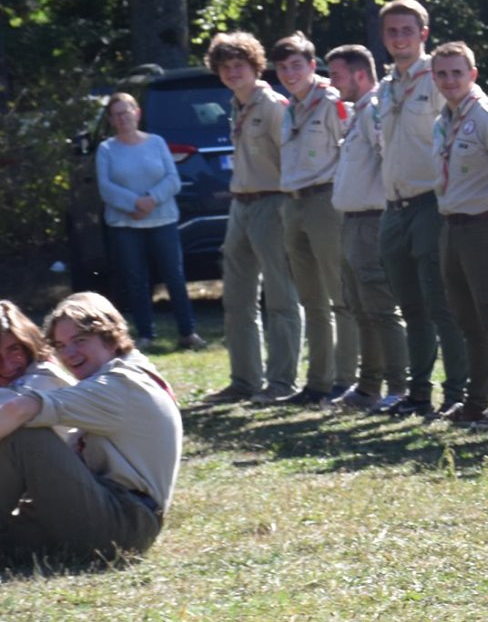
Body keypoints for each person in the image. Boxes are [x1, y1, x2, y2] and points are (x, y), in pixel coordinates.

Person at [0, 293, 180, 567]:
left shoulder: (120, 386)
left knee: (26, 433)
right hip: (106, 514)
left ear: (112, 336)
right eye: (61, 345)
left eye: (80, 341)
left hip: (122, 522)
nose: (69, 354)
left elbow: (19, 410)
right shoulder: (130, 371)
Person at [198, 30, 301, 405]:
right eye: (225, 67)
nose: (232, 72)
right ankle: (244, 380)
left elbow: (290, 159)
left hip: (272, 203)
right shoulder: (237, 105)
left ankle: (282, 381)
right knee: (237, 298)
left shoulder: (273, 104)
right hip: (240, 205)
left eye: (239, 65)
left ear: (255, 66)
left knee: (280, 295)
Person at [375, 0, 466, 417]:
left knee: (440, 302)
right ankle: (418, 392)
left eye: (407, 30)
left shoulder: (437, 78)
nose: (399, 38)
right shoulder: (386, 85)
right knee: (410, 306)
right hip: (393, 207)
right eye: (392, 31)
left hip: (430, 203)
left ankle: (458, 392)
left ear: (423, 34)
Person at [430, 42, 488, 426]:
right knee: (466, 318)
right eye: (442, 74)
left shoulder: (487, 116)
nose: (450, 80)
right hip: (452, 225)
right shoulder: (442, 120)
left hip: (484, 225)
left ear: (473, 75)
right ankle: (476, 399)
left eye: (457, 72)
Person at [273, 33, 354, 406]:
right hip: (293, 203)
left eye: (297, 65)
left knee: (340, 295)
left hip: (325, 200)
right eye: (283, 67)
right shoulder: (291, 106)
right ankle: (318, 382)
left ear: (312, 64)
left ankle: (346, 379)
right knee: (312, 300)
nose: (290, 73)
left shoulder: (332, 101)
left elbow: (351, 148)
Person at [325, 45, 407, 410]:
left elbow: (388, 156)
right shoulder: (357, 111)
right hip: (351, 220)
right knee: (359, 305)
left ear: (360, 75)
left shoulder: (374, 110)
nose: (331, 83)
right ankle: (368, 386)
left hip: (372, 220)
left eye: (337, 75)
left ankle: (399, 387)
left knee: (380, 306)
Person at [94, 92, 202, 350]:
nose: (123, 118)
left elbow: (172, 179)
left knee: (174, 276)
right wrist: (133, 203)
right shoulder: (107, 149)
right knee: (135, 279)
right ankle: (145, 335)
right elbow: (105, 187)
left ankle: (188, 333)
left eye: (127, 111)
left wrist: (151, 199)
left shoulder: (156, 142)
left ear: (137, 113)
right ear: (111, 119)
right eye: (117, 114)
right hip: (125, 225)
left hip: (162, 220)